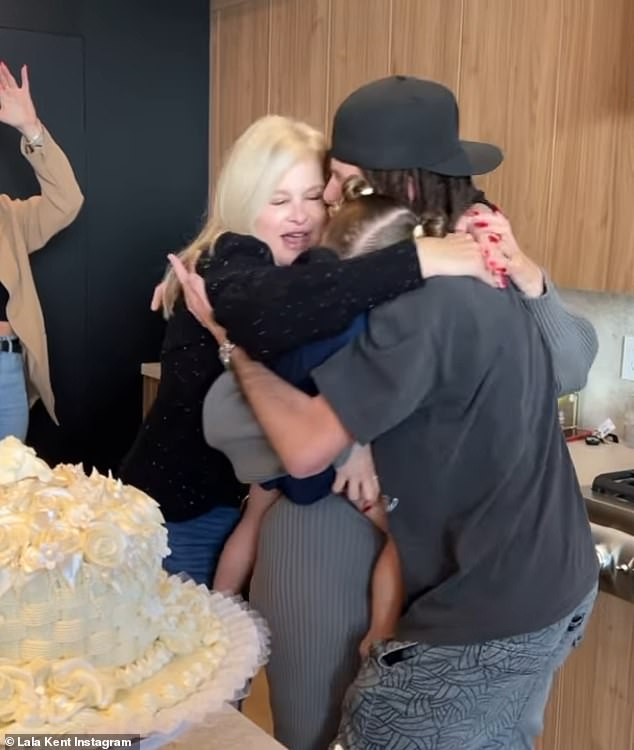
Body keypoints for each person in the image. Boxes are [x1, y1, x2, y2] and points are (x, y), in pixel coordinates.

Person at [181, 79, 599, 750]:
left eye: (329, 188)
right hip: (503, 576)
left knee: (379, 724)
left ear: (399, 188)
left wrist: (528, 273)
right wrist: (358, 431)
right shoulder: (314, 285)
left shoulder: (441, 278)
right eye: (290, 196)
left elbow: (567, 364)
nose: (319, 207)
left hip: (482, 594)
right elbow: (241, 432)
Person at [122, 113, 493, 588]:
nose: (299, 215)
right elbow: (271, 312)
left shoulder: (315, 278)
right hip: (182, 517)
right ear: (245, 202)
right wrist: (420, 257)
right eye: (278, 200)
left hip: (239, 506)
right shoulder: (226, 262)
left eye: (314, 197)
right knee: (188, 655)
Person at [210, 176, 444, 658]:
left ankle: (219, 610)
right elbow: (361, 401)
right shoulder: (370, 327)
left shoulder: (300, 302)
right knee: (404, 535)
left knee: (253, 517)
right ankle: (379, 634)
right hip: (323, 455)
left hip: (275, 436)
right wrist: (357, 447)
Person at [0, 61, 84, 441]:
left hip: (5, 368)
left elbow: (66, 201)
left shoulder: (7, 217)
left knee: (12, 490)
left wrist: (30, 128)